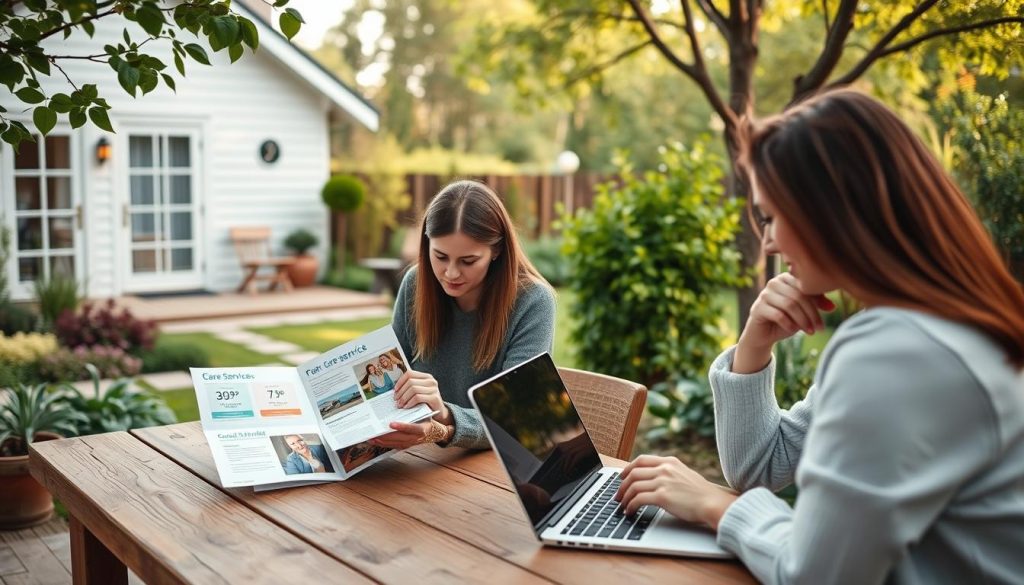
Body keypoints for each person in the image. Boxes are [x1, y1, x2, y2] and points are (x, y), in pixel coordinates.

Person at [615, 88, 1024, 584]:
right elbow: (763, 465)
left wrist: (717, 507)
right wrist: (754, 346)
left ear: (831, 210)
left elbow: (814, 576)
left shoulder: (899, 353)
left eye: (771, 216)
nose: (766, 241)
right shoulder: (932, 327)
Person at [370, 179, 556, 450]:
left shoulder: (532, 302)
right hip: (420, 458)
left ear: (497, 250)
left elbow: (517, 418)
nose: (451, 273)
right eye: (440, 256)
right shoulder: (415, 284)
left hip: (493, 469)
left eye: (468, 261)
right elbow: (390, 380)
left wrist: (444, 418)